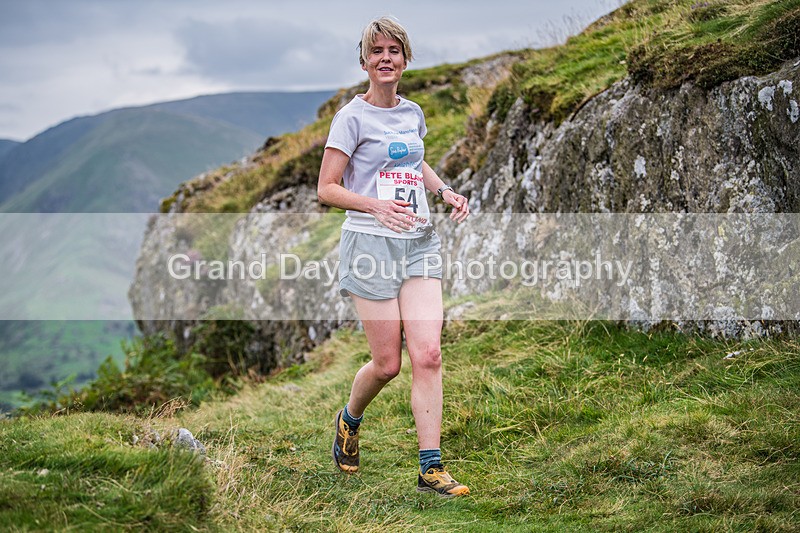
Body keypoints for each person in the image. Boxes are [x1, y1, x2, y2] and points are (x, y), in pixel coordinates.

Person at [317, 16, 471, 497]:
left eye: (394, 51)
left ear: (405, 59)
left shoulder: (412, 111)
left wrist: (443, 190)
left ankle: (431, 469)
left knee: (428, 353)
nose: (386, 59)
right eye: (376, 51)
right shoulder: (351, 118)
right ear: (364, 61)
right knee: (387, 365)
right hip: (370, 246)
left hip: (420, 240)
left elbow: (413, 160)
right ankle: (349, 419)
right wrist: (377, 206)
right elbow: (326, 189)